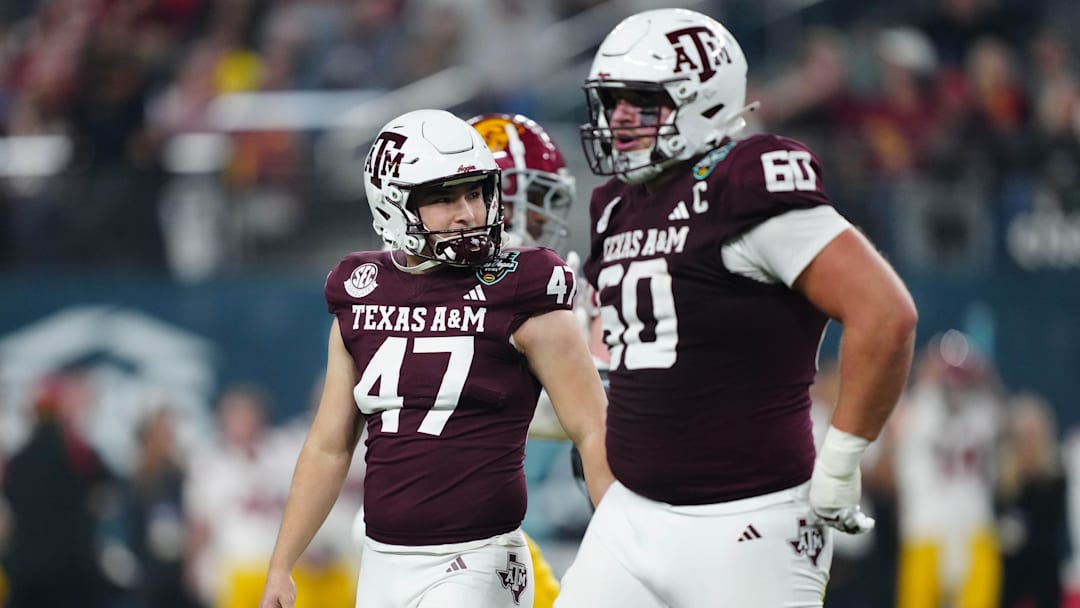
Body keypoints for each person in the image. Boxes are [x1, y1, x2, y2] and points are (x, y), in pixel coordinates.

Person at [555, 8, 918, 608]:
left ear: (702, 100)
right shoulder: (617, 203)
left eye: (640, 100)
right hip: (631, 517)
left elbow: (885, 312)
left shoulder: (745, 180)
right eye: (611, 100)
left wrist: (842, 459)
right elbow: (627, 356)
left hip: (748, 524)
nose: (618, 117)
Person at [258, 108, 612, 608]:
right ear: (393, 204)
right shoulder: (360, 288)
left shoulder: (524, 282)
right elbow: (329, 445)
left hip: (479, 557)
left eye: (475, 192)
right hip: (382, 560)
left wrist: (615, 549)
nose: (468, 213)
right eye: (444, 198)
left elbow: (593, 428)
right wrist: (281, 565)